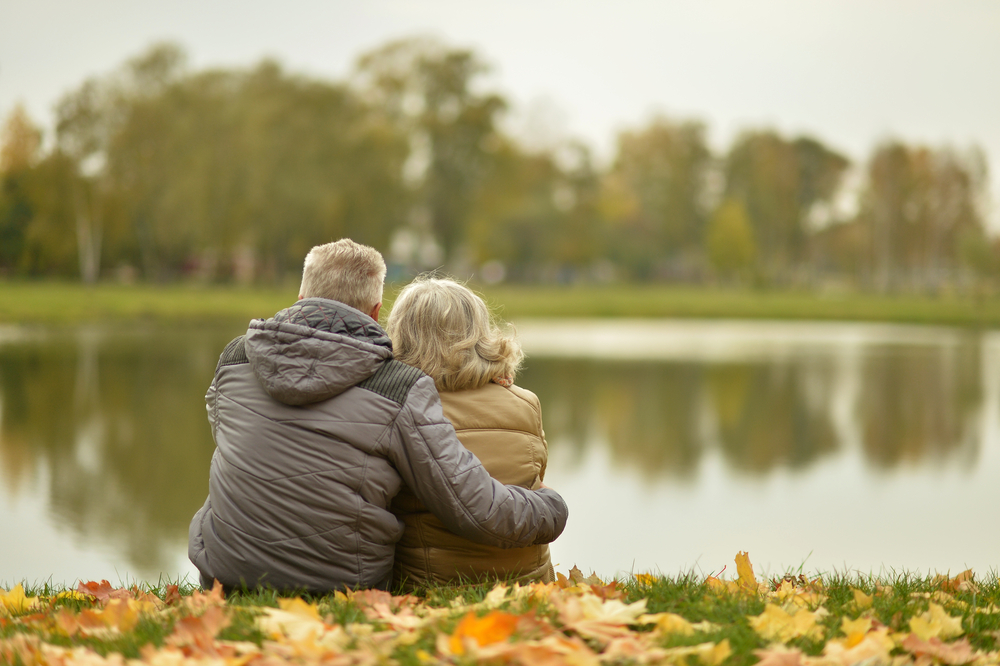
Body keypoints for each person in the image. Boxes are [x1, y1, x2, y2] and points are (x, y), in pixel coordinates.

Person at [188, 239, 568, 593]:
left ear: (301, 296)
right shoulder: (395, 387)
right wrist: (552, 507)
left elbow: (225, 430)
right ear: (374, 312)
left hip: (222, 572)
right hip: (341, 585)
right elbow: (472, 504)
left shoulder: (236, 357)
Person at [386, 276, 554, 588]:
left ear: (402, 335)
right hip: (530, 585)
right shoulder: (526, 403)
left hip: (432, 588)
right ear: (479, 334)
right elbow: (536, 482)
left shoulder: (398, 409)